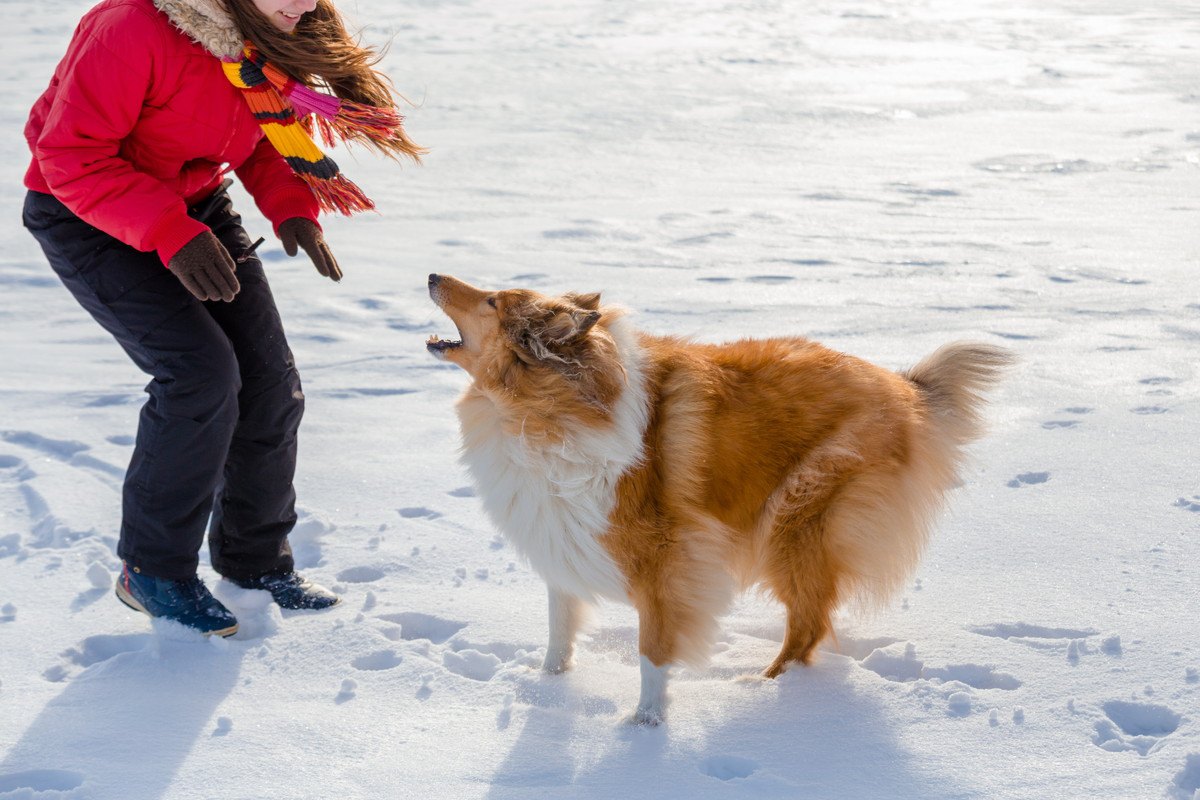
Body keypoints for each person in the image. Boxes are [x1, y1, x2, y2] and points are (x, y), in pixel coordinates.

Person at [22, 0, 422, 636]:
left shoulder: (261, 38)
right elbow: (71, 156)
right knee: (200, 378)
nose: (301, 4)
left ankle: (253, 560)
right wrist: (167, 232)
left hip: (195, 209)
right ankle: (152, 572)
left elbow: (262, 134)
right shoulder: (135, 28)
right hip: (86, 214)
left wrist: (292, 204)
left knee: (269, 384)